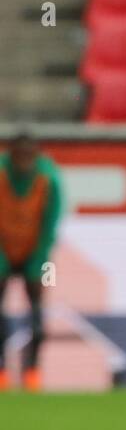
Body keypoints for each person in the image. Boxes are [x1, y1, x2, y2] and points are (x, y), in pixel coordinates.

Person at [0, 133, 62, 391]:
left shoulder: (49, 179)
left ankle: (32, 371)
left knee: (37, 310)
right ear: (12, 157)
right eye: (20, 158)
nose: (25, 164)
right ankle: (2, 371)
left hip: (35, 251)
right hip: (3, 248)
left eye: (29, 158)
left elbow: (50, 225)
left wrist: (38, 260)